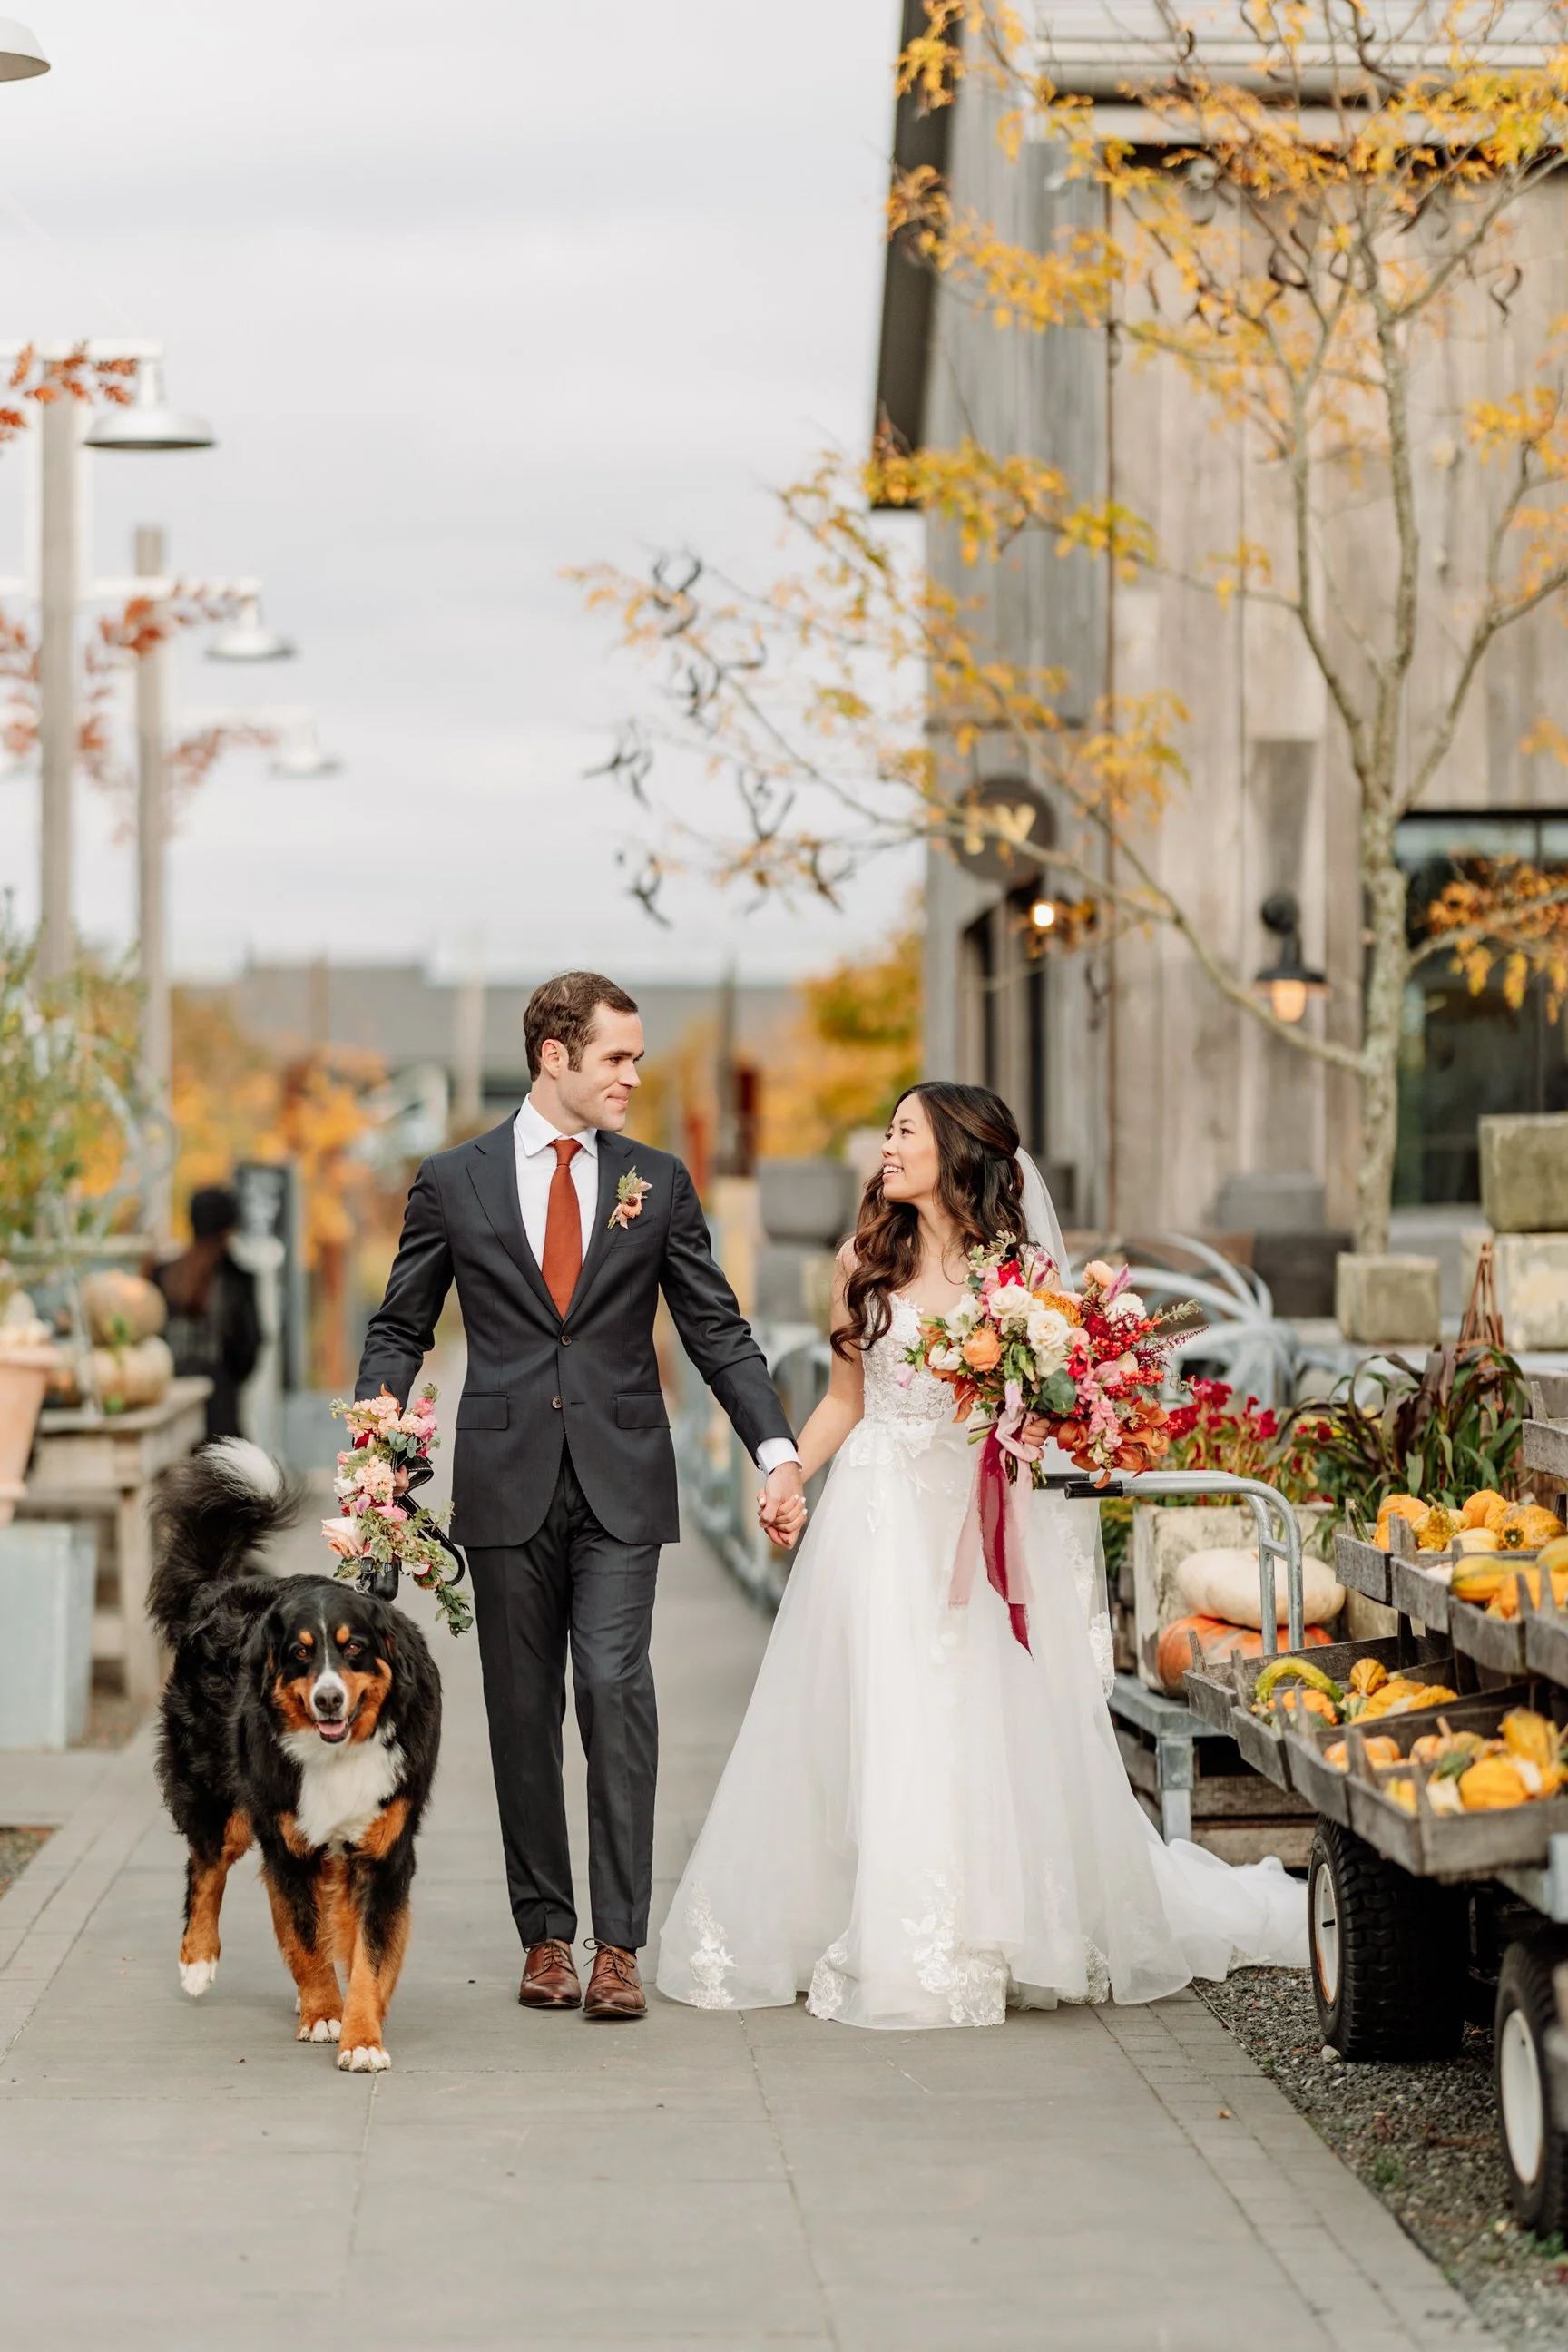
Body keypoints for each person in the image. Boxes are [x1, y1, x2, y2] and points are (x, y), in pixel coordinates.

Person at [657, 1081, 1307, 2029]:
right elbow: (847, 1398)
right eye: (887, 1130)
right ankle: (885, 1928)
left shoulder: (1023, 1278)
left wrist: (1064, 1420)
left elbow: (1050, 1407)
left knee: (973, 1717)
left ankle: (992, 1925)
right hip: (879, 1514)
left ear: (957, 1149)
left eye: (905, 1131)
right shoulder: (861, 1261)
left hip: (976, 1517)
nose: (887, 1145)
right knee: (885, 1711)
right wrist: (790, 1473)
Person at [355, 971, 805, 2022]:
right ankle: (544, 1934)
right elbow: (400, 1327)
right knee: (522, 1712)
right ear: (553, 1056)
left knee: (613, 1688)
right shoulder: (453, 1181)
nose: (632, 1078)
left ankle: (617, 1944)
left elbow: (715, 1328)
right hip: (504, 1479)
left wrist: (775, 1449)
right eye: (616, 1058)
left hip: (621, 1476)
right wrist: (378, 1448)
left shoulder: (658, 1182)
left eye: (636, 1059)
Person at [152, 1184, 262, 1443]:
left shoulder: (163, 1274)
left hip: (170, 1409)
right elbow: (250, 1346)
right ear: (229, 1228)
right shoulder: (238, 1280)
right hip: (220, 1411)